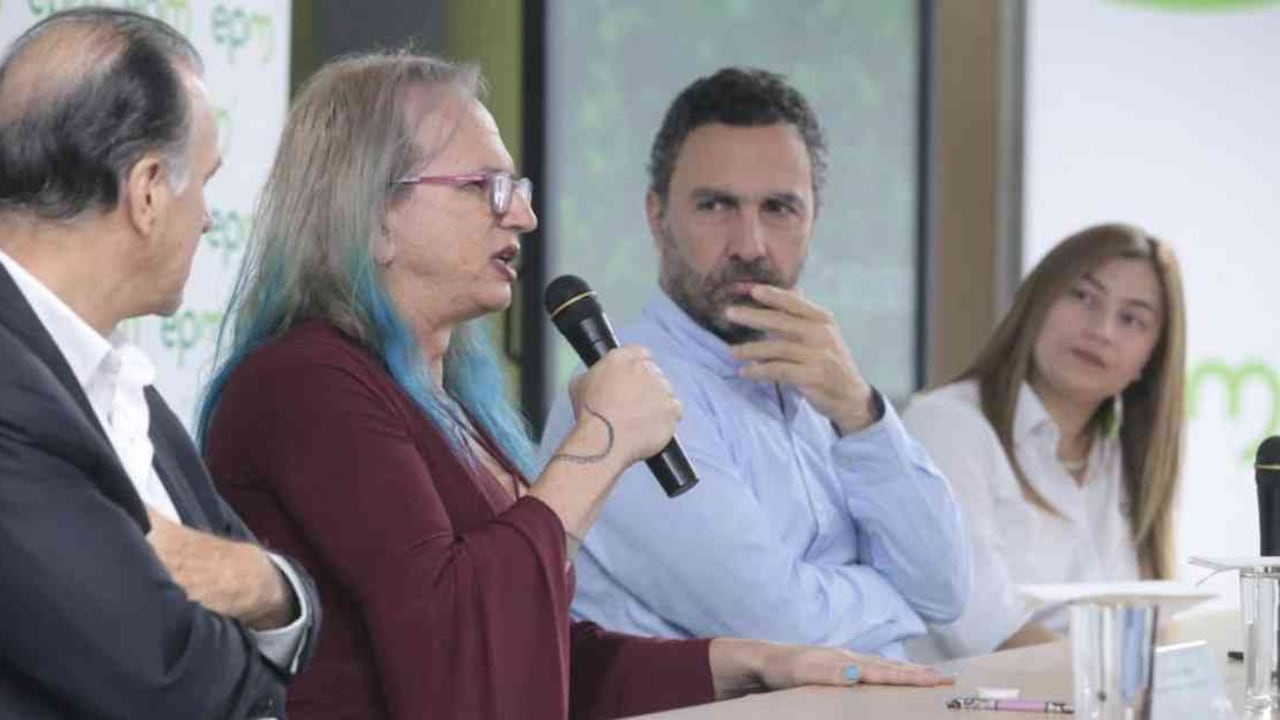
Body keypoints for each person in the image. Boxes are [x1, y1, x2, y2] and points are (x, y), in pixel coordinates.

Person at [198, 52, 950, 720]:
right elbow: (461, 650)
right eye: (485, 187)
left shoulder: (442, 401)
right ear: (373, 216)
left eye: (516, 187)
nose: (523, 215)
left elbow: (552, 661)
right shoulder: (305, 385)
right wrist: (603, 446)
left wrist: (752, 663)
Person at [538, 67, 970, 659]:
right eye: (716, 205)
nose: (749, 245)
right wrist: (901, 603)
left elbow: (946, 591)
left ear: (814, 218)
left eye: (779, 208)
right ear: (657, 217)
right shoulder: (620, 395)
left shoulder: (827, 385)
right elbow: (782, 627)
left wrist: (860, 412)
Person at [0, 8, 320, 719]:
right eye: (203, 181)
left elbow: (262, 584)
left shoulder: (119, 382)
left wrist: (266, 583)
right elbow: (167, 679)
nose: (207, 217)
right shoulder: (12, 387)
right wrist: (256, 606)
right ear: (147, 191)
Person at [901, 223, 1186, 659]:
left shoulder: (1127, 463)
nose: (1102, 330)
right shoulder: (948, 424)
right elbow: (981, 628)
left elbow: (1156, 631)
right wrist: (1117, 678)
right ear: (1037, 303)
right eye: (1083, 297)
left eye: (1131, 319)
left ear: (1152, 357)